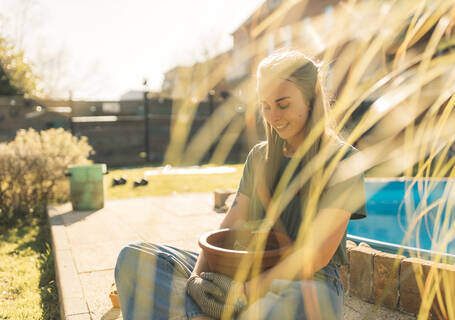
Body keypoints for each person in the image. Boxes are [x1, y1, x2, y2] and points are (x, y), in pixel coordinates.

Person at [114, 50, 367, 320]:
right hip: (241, 271)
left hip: (309, 283)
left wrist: (245, 292)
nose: (273, 116)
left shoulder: (344, 161)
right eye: (266, 106)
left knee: (275, 307)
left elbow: (315, 256)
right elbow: (228, 228)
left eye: (282, 104)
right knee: (134, 259)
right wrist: (196, 281)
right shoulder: (260, 157)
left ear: (311, 99)